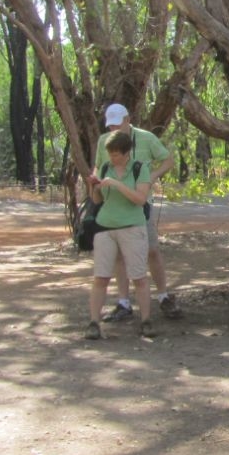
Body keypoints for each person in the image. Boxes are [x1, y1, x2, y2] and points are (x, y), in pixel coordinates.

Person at [93, 103, 182, 323]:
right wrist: (94, 181)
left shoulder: (145, 138)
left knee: (151, 250)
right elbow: (98, 166)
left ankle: (162, 296)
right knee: (119, 256)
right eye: (111, 125)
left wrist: (152, 177)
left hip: (140, 205)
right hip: (113, 207)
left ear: (128, 119)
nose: (114, 129)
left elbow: (168, 159)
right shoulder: (104, 141)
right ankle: (123, 302)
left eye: (118, 124)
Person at [84, 131, 155, 340]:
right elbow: (97, 201)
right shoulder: (106, 168)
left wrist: (117, 184)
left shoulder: (139, 169)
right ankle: (93, 322)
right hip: (105, 227)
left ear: (126, 153)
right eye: (110, 154)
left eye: (116, 155)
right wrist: (94, 186)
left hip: (132, 227)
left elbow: (140, 199)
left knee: (139, 277)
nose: (112, 158)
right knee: (101, 276)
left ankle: (146, 320)